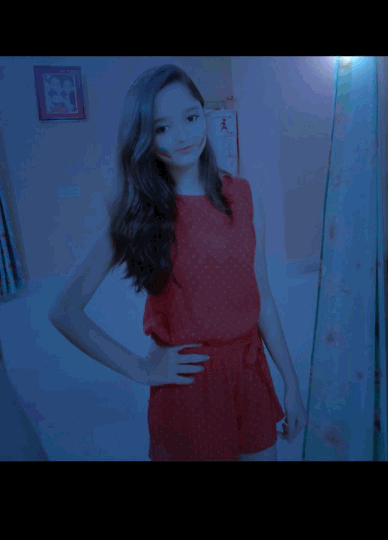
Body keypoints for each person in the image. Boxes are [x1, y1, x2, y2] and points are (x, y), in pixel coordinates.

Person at [49, 64, 284, 461]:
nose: (183, 136)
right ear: (144, 136)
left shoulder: (242, 195)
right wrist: (140, 369)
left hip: (251, 371)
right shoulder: (139, 213)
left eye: (191, 118)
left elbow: (263, 295)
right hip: (190, 386)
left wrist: (289, 381)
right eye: (162, 128)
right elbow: (64, 311)